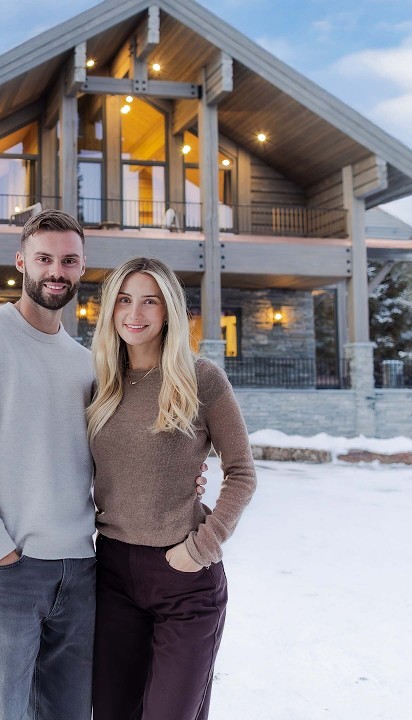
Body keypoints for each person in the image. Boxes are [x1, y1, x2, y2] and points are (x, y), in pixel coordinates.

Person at [0, 211, 207, 720]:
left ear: (82, 270)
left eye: (69, 260)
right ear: (21, 263)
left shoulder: (86, 363)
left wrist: (181, 473)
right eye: (44, 258)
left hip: (80, 570)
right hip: (7, 568)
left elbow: (117, 451)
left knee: (70, 711)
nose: (56, 270)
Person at [87, 257, 257, 720]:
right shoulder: (99, 382)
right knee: (110, 711)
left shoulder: (201, 379)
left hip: (184, 578)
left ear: (169, 312)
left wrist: (203, 545)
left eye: (149, 301)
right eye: (124, 300)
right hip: (113, 573)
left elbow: (242, 472)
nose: (134, 314)